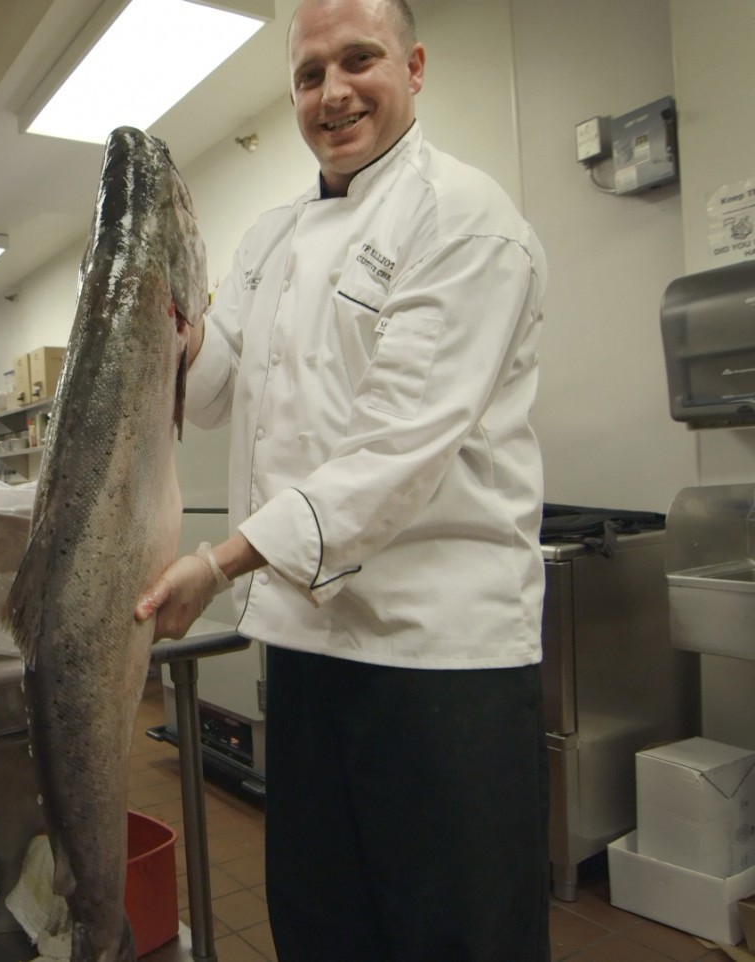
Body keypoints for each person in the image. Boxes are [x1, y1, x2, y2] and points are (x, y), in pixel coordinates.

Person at [135, 0, 550, 957]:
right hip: (307, 644)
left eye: (357, 60)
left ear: (412, 66)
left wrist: (221, 563)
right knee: (324, 924)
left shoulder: (466, 219)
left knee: (454, 935)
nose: (334, 92)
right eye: (310, 73)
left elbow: (393, 455)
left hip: (439, 659)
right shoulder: (271, 239)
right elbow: (206, 392)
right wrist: (168, 334)